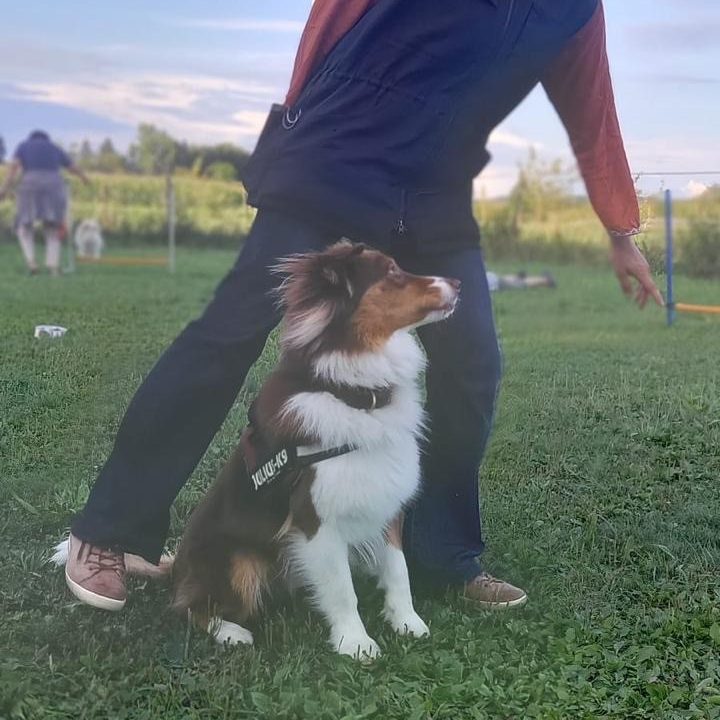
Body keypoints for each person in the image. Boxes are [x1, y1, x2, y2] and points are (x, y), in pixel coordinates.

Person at [63, 0, 663, 612]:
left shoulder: (575, 10)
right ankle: (108, 531)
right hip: (337, 154)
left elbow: (594, 110)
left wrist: (620, 231)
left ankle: (442, 557)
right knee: (229, 332)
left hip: (433, 189)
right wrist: (295, 123)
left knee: (473, 363)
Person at [0, 130, 89, 276]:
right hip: (54, 186)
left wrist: (3, 190)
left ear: (31, 137)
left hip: (29, 185)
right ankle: (53, 267)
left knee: (24, 226)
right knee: (52, 228)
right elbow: (73, 168)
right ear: (47, 138)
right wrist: (85, 179)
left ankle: (32, 263)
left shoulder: (23, 146)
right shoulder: (54, 147)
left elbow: (13, 169)